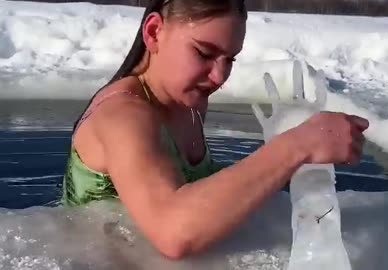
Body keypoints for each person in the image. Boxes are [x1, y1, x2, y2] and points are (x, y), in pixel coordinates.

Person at [62, 0, 369, 261]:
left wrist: (282, 166)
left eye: (230, 59)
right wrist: (294, 146)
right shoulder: (122, 115)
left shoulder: (189, 104)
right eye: (204, 54)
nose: (220, 75)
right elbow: (174, 232)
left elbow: (197, 190)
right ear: (154, 32)